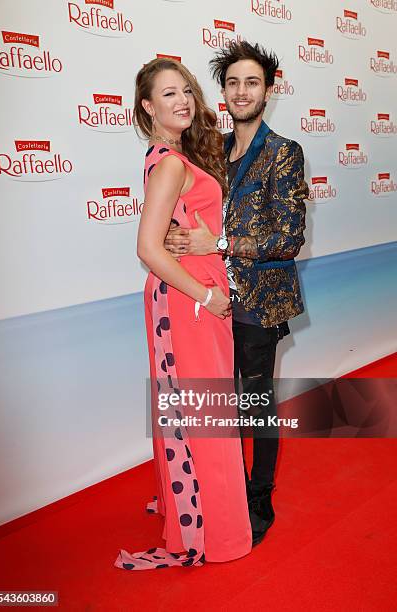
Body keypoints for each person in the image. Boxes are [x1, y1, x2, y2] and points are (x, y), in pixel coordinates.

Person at [165, 42, 309, 545]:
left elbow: (289, 239)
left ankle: (259, 495)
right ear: (222, 92)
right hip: (211, 299)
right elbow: (193, 213)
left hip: (259, 302)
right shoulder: (211, 151)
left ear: (269, 89)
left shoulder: (285, 152)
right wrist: (176, 239)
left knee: (255, 402)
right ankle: (221, 489)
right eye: (232, 83)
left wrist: (220, 243)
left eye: (252, 82)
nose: (241, 91)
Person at [114, 58, 252, 571]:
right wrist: (205, 295)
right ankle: (219, 538)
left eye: (186, 92)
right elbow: (149, 248)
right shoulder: (170, 162)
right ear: (148, 106)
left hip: (190, 297)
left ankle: (198, 521)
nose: (183, 101)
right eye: (168, 95)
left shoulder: (171, 156)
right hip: (189, 302)